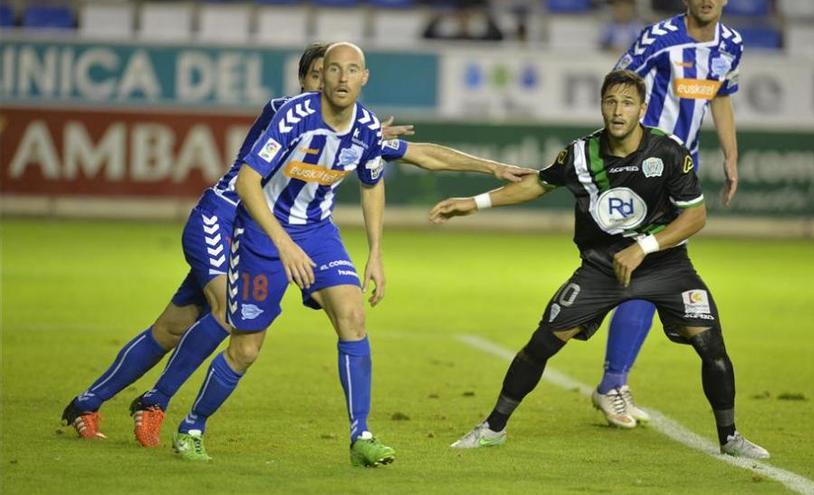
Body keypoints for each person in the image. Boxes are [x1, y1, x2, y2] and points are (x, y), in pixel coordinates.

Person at [61, 42, 532, 447]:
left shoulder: (344, 126)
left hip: (261, 230)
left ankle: (87, 402)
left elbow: (424, 154)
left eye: (334, 74)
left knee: (172, 326)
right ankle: (155, 401)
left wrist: (490, 167)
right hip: (221, 219)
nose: (324, 85)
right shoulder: (282, 111)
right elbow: (289, 134)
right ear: (309, 80)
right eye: (319, 74)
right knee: (228, 315)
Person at [431, 69, 769, 460]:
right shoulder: (580, 154)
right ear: (601, 106)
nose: (617, 111)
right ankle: (492, 429)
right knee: (542, 344)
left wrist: (643, 246)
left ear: (642, 109)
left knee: (710, 344)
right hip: (601, 269)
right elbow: (536, 183)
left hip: (665, 266)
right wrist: (474, 203)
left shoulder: (669, 151)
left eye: (627, 103)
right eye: (610, 102)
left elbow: (695, 218)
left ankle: (730, 438)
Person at [592, 0, 744, 428]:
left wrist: (731, 157)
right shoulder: (658, 39)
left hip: (682, 170)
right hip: (643, 165)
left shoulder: (731, 44)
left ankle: (613, 383)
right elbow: (617, 88)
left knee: (651, 270)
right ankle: (612, 383)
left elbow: (722, 99)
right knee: (647, 268)